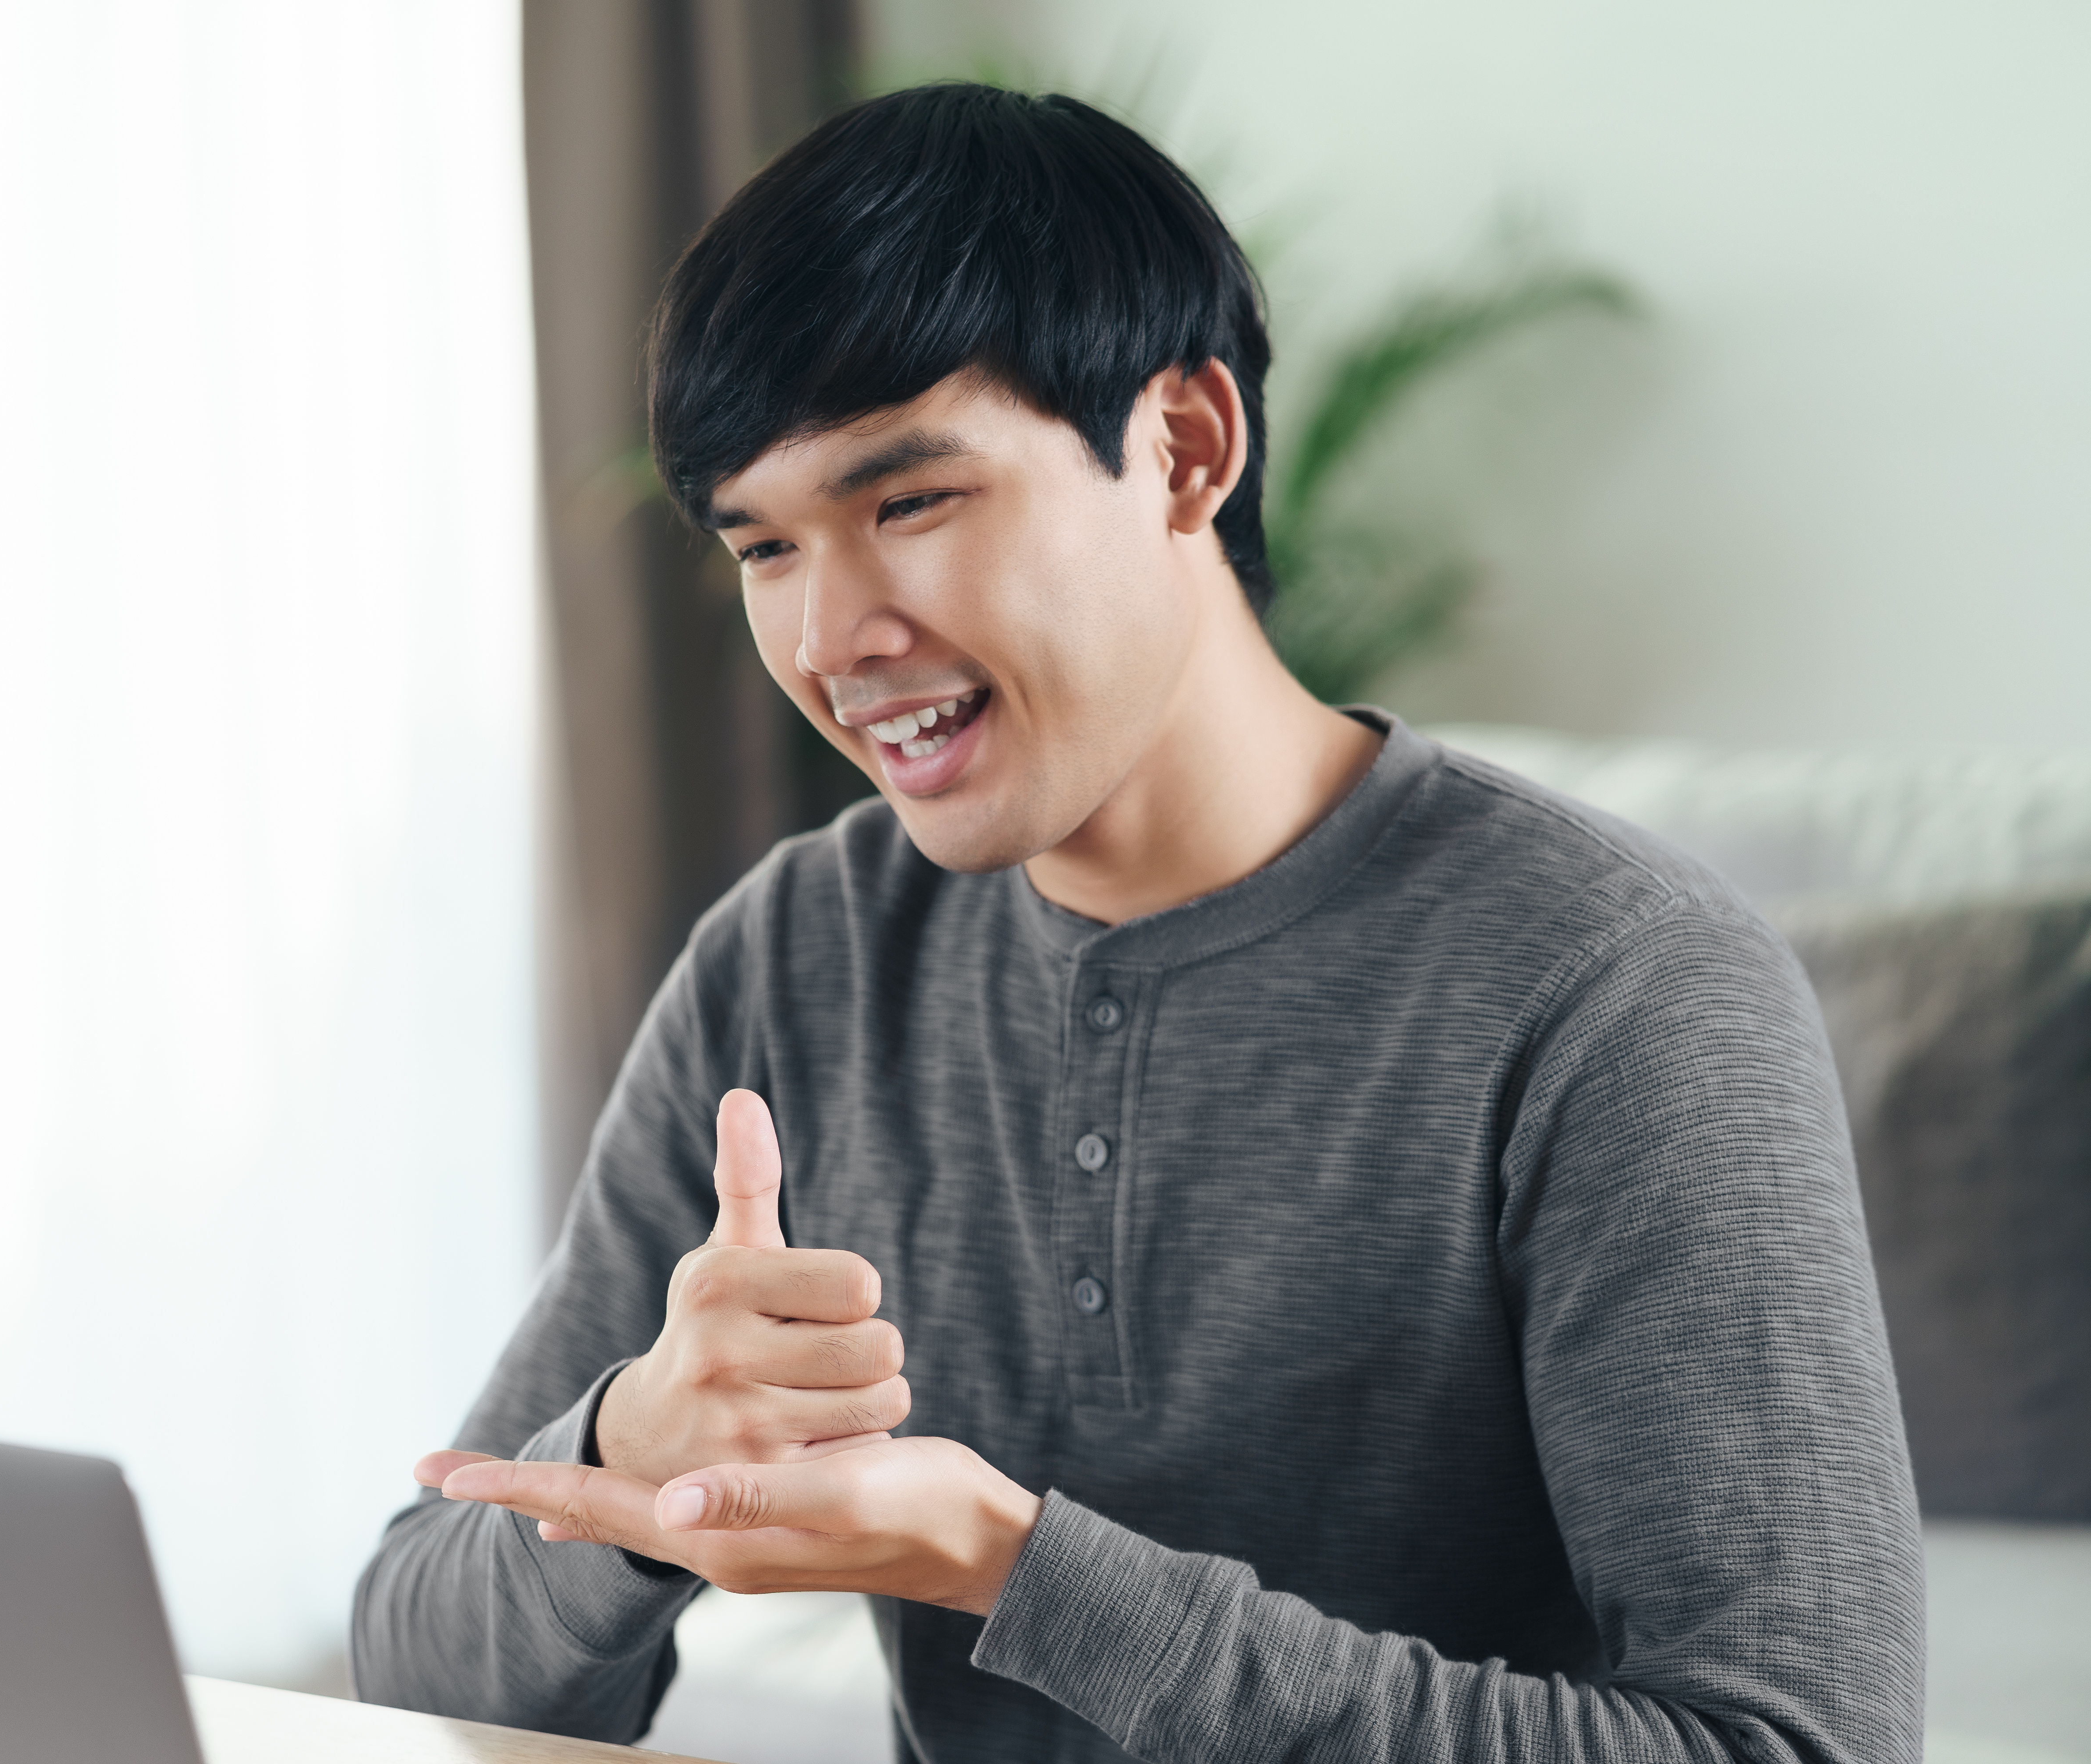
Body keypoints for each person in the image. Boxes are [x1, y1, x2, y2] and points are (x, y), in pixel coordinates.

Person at [350, 83, 1920, 1764]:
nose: (830, 637)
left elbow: (1792, 1744)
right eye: (765, 547)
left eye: (910, 504)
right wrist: (628, 1459)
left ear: (1184, 448)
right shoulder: (796, 958)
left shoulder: (1619, 988)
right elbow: (415, 1653)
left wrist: (1016, 1568)